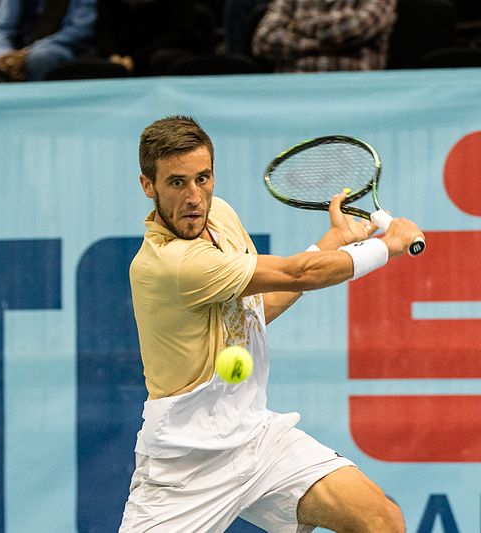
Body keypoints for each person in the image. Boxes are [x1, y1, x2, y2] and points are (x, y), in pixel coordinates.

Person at [120, 115, 421, 531]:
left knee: (381, 520)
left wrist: (330, 243)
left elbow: (256, 311)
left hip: (257, 437)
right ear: (147, 186)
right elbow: (298, 274)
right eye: (177, 182)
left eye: (203, 178)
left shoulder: (220, 216)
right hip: (185, 464)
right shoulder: (168, 265)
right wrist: (385, 246)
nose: (195, 196)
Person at [251, 0, 397, 72]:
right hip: (294, 90)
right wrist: (324, 44)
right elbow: (264, 39)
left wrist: (297, 26)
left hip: (354, 91)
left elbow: (355, 28)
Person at [95, 0, 217, 76]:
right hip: (122, 58)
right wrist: (113, 55)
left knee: (161, 59)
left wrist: (134, 60)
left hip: (168, 54)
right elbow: (103, 29)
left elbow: (179, 33)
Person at [0, 0, 97, 81]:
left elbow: (81, 30)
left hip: (62, 47)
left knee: (40, 57)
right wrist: (2, 54)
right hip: (14, 51)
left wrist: (26, 53)